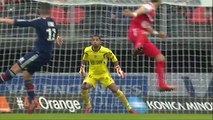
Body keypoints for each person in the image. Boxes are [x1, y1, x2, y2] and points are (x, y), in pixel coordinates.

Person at [0, 3, 63, 113]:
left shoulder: (39, 21)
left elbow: (19, 23)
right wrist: (58, 41)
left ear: (40, 10)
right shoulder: (53, 22)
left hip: (38, 54)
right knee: (27, 75)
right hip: (46, 55)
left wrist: (2, 19)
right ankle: (33, 100)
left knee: (13, 70)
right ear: (50, 10)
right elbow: (57, 40)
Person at [123, 0, 176, 91]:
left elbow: (147, 26)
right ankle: (138, 48)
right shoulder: (149, 6)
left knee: (161, 58)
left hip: (143, 38)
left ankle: (161, 84)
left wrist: (157, 34)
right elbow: (142, 10)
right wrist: (133, 14)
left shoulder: (152, 11)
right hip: (135, 33)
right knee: (144, 33)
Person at [79, 35, 139, 114]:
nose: (95, 41)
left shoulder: (105, 51)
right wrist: (82, 68)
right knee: (84, 86)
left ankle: (130, 108)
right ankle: (89, 106)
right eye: (93, 40)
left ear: (100, 42)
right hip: (92, 74)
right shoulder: (87, 50)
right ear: (91, 42)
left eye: (97, 40)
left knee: (116, 90)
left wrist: (118, 69)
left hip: (104, 74)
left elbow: (114, 58)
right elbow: (85, 59)